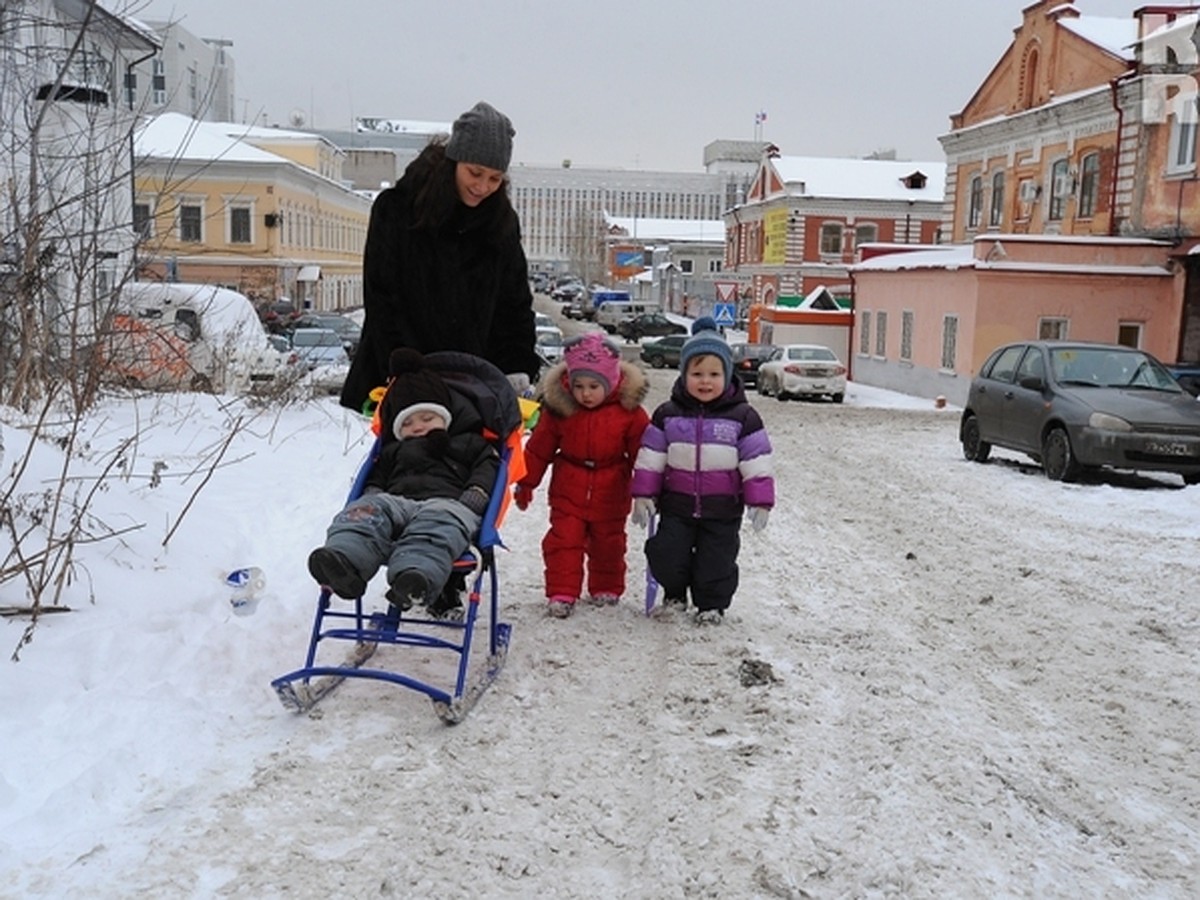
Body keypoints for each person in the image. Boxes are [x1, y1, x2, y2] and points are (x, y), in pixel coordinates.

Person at [340, 101, 541, 414]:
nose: (483, 187)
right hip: (397, 380)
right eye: (475, 173)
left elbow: (513, 303)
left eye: (495, 178)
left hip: (473, 388)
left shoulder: (500, 222)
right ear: (454, 161)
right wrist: (405, 371)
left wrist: (515, 365)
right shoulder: (397, 210)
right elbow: (382, 299)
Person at [309, 348, 499, 614]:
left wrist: (475, 494)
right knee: (367, 512)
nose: (418, 426)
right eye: (408, 422)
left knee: (436, 527)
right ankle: (345, 561)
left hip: (449, 505)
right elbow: (378, 477)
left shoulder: (467, 443)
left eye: (427, 418)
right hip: (398, 504)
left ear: (445, 417)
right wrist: (373, 496)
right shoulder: (394, 450)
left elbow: (487, 467)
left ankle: (414, 578)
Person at [630, 317, 775, 625]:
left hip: (722, 509)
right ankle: (675, 596)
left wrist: (760, 500)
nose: (705, 381)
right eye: (697, 373)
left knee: (717, 562)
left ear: (727, 374)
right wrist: (643, 494)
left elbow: (757, 460)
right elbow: (652, 456)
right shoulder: (667, 414)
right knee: (667, 553)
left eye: (713, 374)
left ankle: (711, 605)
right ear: (684, 375)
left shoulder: (743, 416)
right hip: (677, 505)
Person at [514, 332, 650, 618]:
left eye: (593, 386)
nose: (585, 394)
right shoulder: (560, 411)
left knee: (609, 542)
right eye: (579, 386)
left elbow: (645, 454)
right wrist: (526, 481)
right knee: (563, 540)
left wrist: (647, 490)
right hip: (569, 485)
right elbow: (539, 449)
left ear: (611, 382)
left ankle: (606, 587)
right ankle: (562, 592)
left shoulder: (630, 413)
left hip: (612, 485)